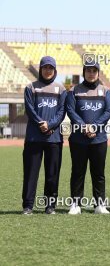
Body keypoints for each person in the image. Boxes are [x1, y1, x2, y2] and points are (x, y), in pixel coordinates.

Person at [66, 60, 110, 214]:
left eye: (94, 71)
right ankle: (75, 204)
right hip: (78, 139)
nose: (91, 73)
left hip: (98, 139)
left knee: (98, 172)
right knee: (78, 171)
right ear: (84, 72)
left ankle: (99, 204)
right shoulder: (74, 90)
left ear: (98, 73)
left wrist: (94, 126)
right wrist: (83, 126)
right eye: (88, 71)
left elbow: (108, 110)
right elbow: (70, 111)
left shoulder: (105, 91)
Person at [22, 56, 67, 215]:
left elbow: (62, 111)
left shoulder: (61, 89)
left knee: (52, 173)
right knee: (30, 173)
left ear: (54, 70)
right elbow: (29, 109)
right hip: (34, 137)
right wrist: (42, 123)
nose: (48, 71)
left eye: (51, 68)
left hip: (54, 138)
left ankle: (50, 205)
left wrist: (51, 125)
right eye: (45, 68)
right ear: (40, 69)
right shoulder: (31, 87)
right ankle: (28, 206)